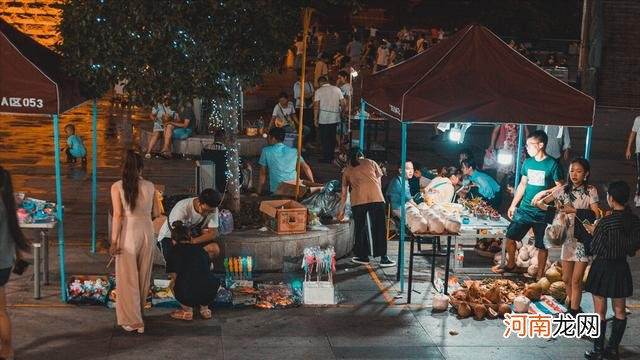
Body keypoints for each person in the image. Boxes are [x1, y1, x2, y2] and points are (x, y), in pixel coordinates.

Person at [493, 130, 564, 279]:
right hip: (525, 209)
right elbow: (523, 184)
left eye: (530, 145)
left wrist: (543, 193)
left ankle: (539, 275)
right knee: (510, 237)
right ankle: (511, 264)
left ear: (541, 145)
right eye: (526, 145)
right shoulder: (528, 162)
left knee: (542, 246)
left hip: (543, 211)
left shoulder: (552, 164)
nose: (527, 148)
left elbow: (561, 187)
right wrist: (513, 205)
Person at [535, 157, 600, 317]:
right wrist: (555, 208)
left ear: (586, 174)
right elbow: (541, 204)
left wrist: (574, 210)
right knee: (566, 278)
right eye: (572, 171)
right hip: (567, 239)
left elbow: (596, 214)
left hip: (582, 239)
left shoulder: (591, 190)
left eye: (578, 171)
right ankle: (572, 302)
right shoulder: (562, 190)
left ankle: (573, 311)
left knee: (577, 280)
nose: (574, 174)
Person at [583, 181, 640, 360]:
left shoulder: (606, 222)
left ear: (611, 199)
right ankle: (613, 350)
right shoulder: (634, 221)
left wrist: (594, 231)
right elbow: (634, 248)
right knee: (620, 311)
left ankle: (598, 351)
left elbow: (595, 248)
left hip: (603, 268)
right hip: (621, 268)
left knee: (599, 311)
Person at [110, 150, 159, 333]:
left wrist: (113, 242)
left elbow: (117, 215)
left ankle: (134, 321)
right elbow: (156, 213)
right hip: (147, 231)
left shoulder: (117, 187)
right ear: (140, 169)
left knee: (127, 278)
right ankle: (139, 315)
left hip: (128, 233)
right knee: (143, 275)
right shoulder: (150, 186)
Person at [156, 188, 222, 308]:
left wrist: (193, 242)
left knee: (214, 249)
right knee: (177, 269)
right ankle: (190, 307)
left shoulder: (213, 209)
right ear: (199, 202)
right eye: (206, 211)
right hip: (171, 237)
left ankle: (190, 303)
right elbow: (177, 236)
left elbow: (212, 234)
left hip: (190, 238)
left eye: (211, 212)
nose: (208, 214)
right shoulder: (181, 209)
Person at [337, 148, 395, 267]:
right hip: (376, 199)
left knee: (360, 229)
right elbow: (378, 182)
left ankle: (363, 256)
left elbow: (344, 193)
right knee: (379, 228)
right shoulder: (371, 162)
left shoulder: (347, 170)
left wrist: (341, 210)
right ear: (362, 154)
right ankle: (383, 258)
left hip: (358, 201)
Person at [0, 167, 30, 359]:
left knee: (1, 312)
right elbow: (13, 234)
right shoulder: (7, 203)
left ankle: (7, 349)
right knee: (1, 311)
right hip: (5, 262)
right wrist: (18, 255)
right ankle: (6, 348)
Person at [166, 220, 219, 321]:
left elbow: (174, 277)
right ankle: (205, 309)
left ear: (173, 241)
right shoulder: (200, 249)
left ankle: (187, 311)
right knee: (204, 278)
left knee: (172, 283)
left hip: (187, 293)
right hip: (210, 291)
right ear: (190, 238)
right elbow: (210, 268)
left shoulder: (173, 252)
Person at [256, 127, 314, 195]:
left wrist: (258, 192)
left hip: (278, 190)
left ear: (273, 138)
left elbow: (262, 174)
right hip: (296, 188)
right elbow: (306, 168)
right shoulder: (294, 151)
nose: (267, 139)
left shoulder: (266, 151)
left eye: (268, 137)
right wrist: (313, 183)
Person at [313, 76, 345, 164]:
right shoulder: (337, 89)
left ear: (320, 83)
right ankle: (331, 157)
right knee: (332, 138)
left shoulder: (318, 91)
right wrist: (341, 113)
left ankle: (327, 158)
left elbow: (316, 106)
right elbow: (343, 104)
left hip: (323, 119)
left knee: (325, 139)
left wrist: (315, 119)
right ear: (327, 81)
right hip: (334, 118)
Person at [145, 94, 178, 159]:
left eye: (168, 100)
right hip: (158, 125)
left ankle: (165, 150)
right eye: (165, 100)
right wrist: (154, 119)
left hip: (168, 125)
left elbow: (176, 119)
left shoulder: (174, 108)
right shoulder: (158, 106)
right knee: (156, 134)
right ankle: (148, 152)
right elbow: (151, 115)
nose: (166, 102)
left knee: (167, 131)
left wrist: (171, 120)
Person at [625, 115, 640, 207]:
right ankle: (638, 196)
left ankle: (637, 194)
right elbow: (633, 133)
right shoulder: (638, 119)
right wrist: (628, 149)